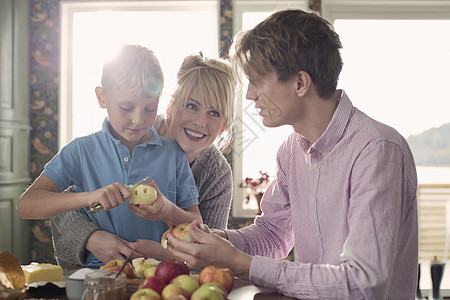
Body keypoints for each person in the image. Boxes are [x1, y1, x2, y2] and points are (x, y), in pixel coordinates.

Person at [167, 9, 418, 299]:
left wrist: (239, 262)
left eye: (257, 80)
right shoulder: (290, 151)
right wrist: (220, 240)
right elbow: (273, 236)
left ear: (299, 83)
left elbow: (361, 283)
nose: (249, 94)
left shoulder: (377, 151)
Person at [17, 44, 202, 266]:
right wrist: (90, 197)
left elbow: (196, 223)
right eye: (126, 107)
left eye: (149, 108)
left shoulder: (173, 154)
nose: (138, 120)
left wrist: (166, 211)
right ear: (102, 97)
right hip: (99, 278)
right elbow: (26, 205)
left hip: (162, 274)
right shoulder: (81, 150)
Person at [49, 54, 236, 267]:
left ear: (223, 126)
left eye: (214, 113)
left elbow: (209, 252)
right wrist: (91, 238)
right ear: (170, 107)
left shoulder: (217, 174)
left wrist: (164, 255)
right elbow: (62, 204)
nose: (200, 122)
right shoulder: (133, 131)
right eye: (192, 106)